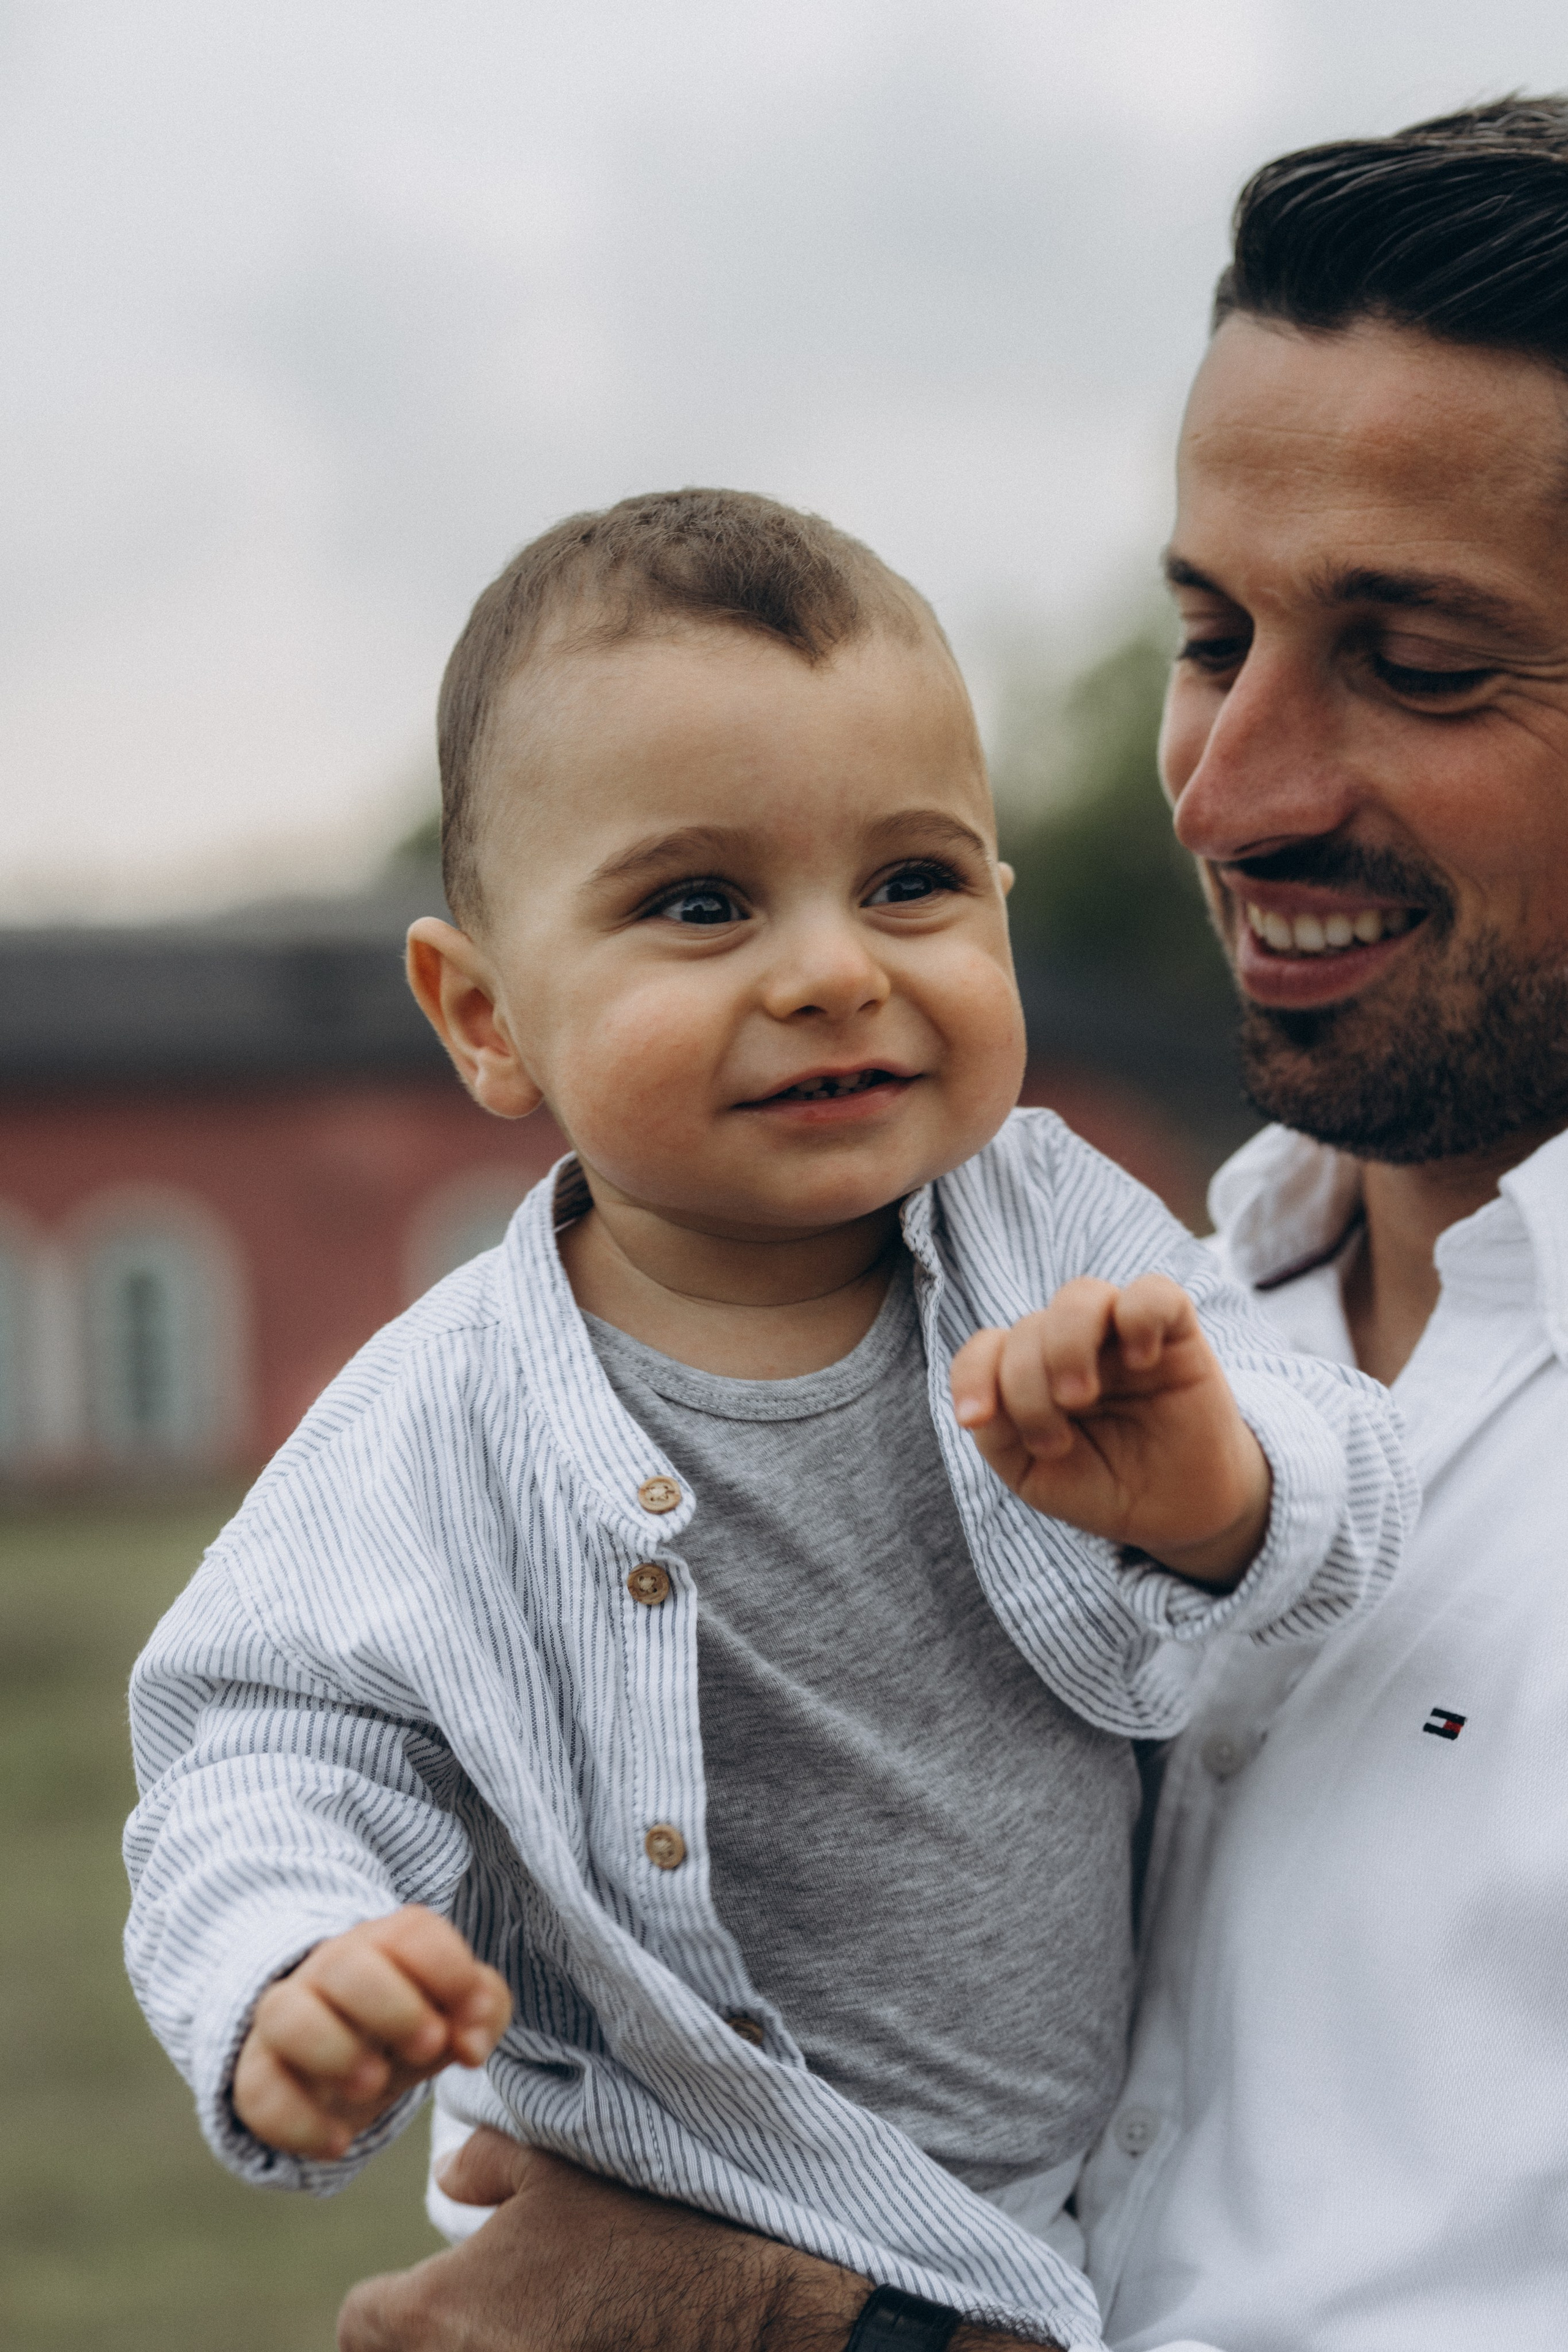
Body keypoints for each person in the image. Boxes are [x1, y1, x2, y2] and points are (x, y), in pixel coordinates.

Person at [332, 96, 1568, 2352]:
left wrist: (807, 2326)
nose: (1229, 781)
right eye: (1214, 635)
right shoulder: (1094, 1302)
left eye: (1418, 662)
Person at [122, 490, 1409, 2352]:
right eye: (701, 903)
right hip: (661, 2185)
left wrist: (1215, 1483)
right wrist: (293, 1966)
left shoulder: (1055, 1234)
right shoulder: (441, 1417)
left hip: (1045, 2241)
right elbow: (255, 1744)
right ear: (486, 1017)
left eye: (913, 883)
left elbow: (1340, 1458)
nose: (833, 970)